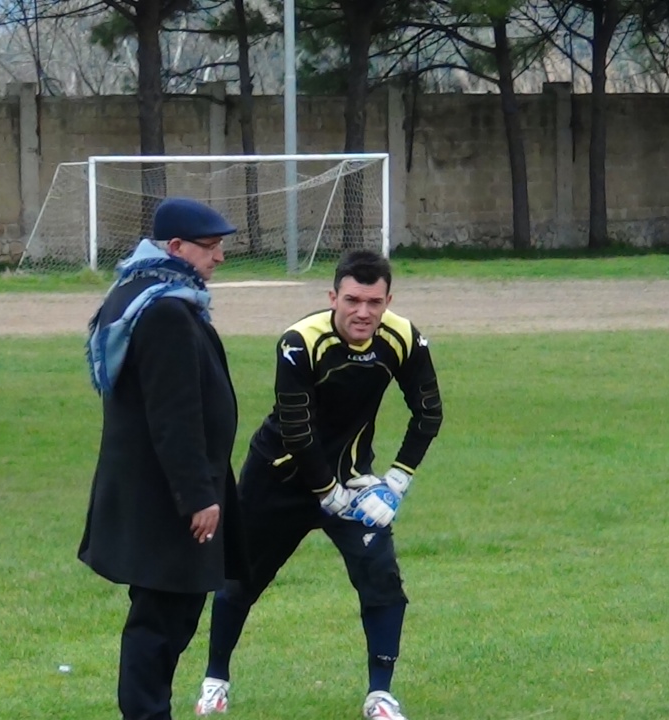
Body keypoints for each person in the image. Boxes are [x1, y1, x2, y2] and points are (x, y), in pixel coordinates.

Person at [195, 249, 443, 720]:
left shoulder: (405, 338)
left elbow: (429, 411)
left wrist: (395, 482)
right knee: (239, 581)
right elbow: (297, 429)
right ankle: (215, 682)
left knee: (382, 581)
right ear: (333, 297)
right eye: (352, 300)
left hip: (352, 481)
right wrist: (328, 494)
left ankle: (380, 695)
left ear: (389, 299)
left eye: (374, 302)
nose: (363, 312)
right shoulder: (299, 342)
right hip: (279, 478)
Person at [79, 197, 248, 720]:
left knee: (162, 620)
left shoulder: (140, 292)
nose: (218, 257)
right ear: (174, 247)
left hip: (154, 494)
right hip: (168, 501)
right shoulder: (167, 311)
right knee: (160, 624)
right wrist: (198, 496)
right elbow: (173, 414)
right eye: (210, 247)